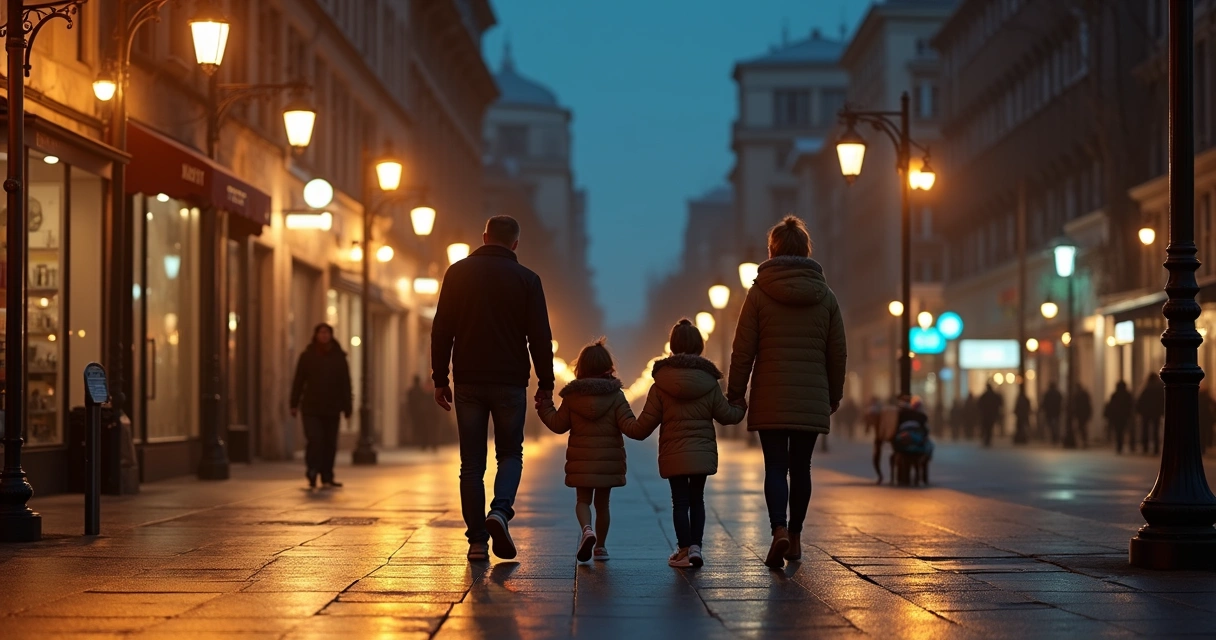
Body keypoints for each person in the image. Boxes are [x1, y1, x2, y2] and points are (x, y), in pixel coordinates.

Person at [431, 215, 555, 562]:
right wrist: (546, 384)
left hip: (468, 379)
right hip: (509, 381)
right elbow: (540, 337)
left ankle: (476, 542)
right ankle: (500, 511)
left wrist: (440, 378)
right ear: (515, 243)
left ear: (484, 237)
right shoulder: (528, 280)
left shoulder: (456, 273)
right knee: (510, 454)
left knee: (471, 463)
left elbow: (442, 330)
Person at [726, 216, 847, 569]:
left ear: (772, 250)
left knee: (776, 467)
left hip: (771, 395)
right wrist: (833, 394)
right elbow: (837, 351)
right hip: (811, 396)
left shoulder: (760, 293)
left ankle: (777, 527)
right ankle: (794, 537)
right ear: (806, 250)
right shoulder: (825, 296)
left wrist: (736, 393)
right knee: (802, 467)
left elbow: (742, 347)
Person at [622, 319, 745, 568]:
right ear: (699, 346)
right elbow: (728, 416)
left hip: (673, 452)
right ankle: (697, 547)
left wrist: (620, 417)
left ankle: (684, 550)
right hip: (701, 452)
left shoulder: (660, 385)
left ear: (673, 346)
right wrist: (741, 403)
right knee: (697, 499)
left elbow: (642, 427)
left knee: (679, 502)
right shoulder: (709, 383)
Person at [537, 339, 638, 563]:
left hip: (581, 460)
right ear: (608, 366)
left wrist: (544, 407)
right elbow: (630, 426)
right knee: (603, 505)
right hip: (607, 461)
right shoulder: (616, 396)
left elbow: (558, 424)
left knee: (583, 500)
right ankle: (600, 547)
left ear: (580, 367)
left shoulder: (573, 397)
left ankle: (586, 530)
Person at [290, 323, 352, 489]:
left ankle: (327, 475)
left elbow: (345, 383)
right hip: (311, 407)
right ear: (316, 335)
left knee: (330, 443)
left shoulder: (339, 357)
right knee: (315, 440)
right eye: (321, 332)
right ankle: (312, 470)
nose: (324, 336)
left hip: (332, 407)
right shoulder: (307, 356)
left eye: (327, 332)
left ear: (331, 335)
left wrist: (347, 407)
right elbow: (299, 381)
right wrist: (294, 403)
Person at [1136, 373, 1165, 456]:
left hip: (1146, 412)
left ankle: (1145, 447)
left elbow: (1140, 401)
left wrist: (1139, 411)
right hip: (1156, 412)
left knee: (1145, 429)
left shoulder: (1145, 388)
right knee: (1155, 429)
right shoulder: (1160, 388)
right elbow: (1162, 400)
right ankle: (1156, 448)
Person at [406, 375, 434, 451]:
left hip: (415, 413)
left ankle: (418, 443)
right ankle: (424, 443)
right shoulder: (422, 391)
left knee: (418, 429)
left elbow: (409, 403)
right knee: (424, 429)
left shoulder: (411, 391)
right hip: (422, 413)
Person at [1105, 381, 1134, 454]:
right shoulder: (1127, 395)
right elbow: (1130, 406)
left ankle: (1119, 446)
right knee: (1123, 431)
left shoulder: (1115, 395)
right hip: (1124, 416)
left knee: (1118, 432)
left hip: (1116, 417)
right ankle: (1124, 445)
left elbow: (1111, 406)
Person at [1070, 384, 1093, 448]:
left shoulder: (1077, 395)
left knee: (1081, 427)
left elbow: (1074, 405)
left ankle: (1083, 441)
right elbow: (1089, 405)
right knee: (1083, 427)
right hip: (1083, 414)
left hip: (1080, 414)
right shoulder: (1084, 395)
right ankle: (1084, 440)